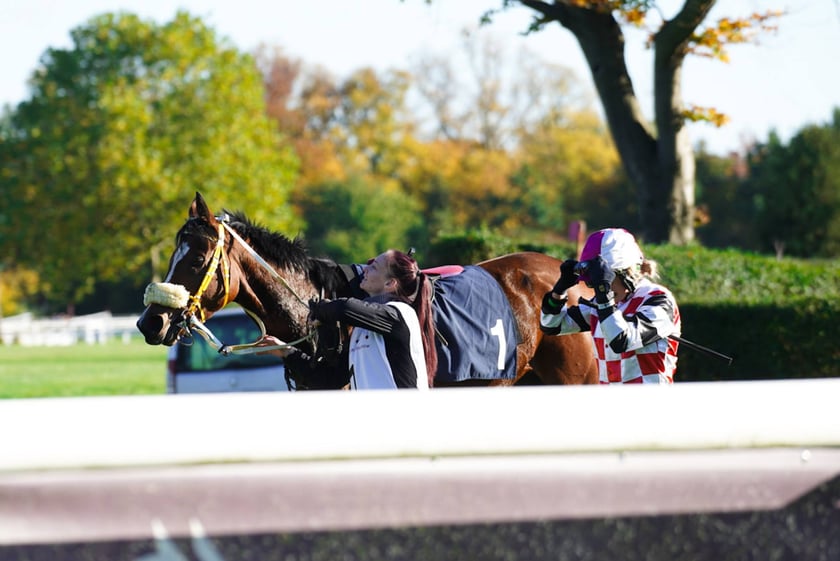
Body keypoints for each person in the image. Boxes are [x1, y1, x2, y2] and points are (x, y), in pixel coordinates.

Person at [257, 249, 438, 390]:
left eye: (373, 267)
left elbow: (345, 308)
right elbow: (329, 380)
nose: (365, 269)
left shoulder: (400, 313)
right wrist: (286, 351)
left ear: (390, 284)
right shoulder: (361, 330)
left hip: (407, 428)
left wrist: (320, 309)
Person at [540, 228, 681, 384]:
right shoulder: (602, 304)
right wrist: (559, 290)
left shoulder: (659, 299)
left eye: (603, 279)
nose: (595, 286)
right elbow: (551, 325)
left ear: (626, 273)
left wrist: (603, 295)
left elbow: (621, 340)